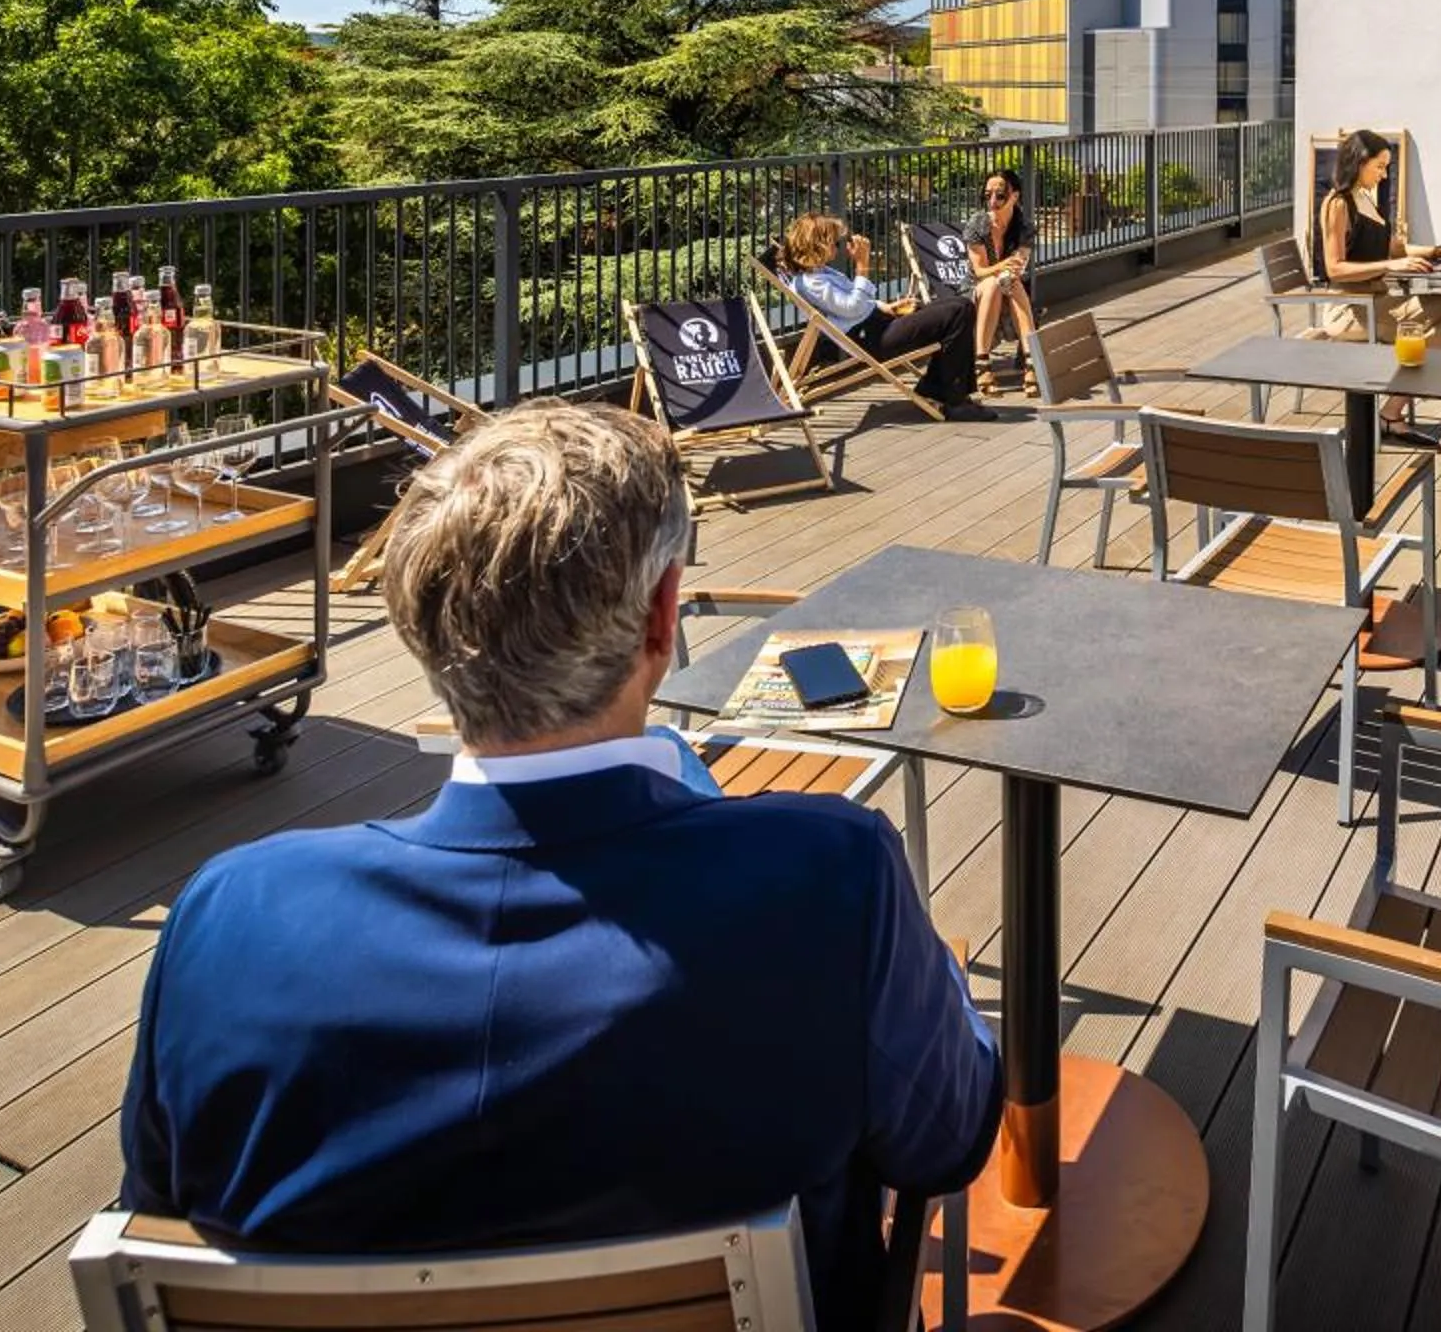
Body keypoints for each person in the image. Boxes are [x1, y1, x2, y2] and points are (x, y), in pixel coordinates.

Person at [118, 403, 1001, 1325]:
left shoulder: (232, 918)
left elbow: (157, 1219)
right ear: (661, 618)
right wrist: (921, 969)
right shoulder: (829, 884)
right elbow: (949, 1140)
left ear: (422, 627)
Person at [1314, 128, 1441, 439]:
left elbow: (1393, 248)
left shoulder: (1364, 198)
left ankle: (1393, 413)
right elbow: (1334, 269)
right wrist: (1391, 265)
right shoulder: (1338, 203)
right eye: (1379, 166)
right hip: (1350, 309)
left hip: (1376, 302)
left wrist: (1438, 251)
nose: (1384, 174)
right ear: (1359, 162)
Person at [782, 212, 993, 420]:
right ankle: (954, 400)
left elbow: (855, 306)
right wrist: (862, 267)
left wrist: (887, 308)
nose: (837, 247)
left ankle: (936, 388)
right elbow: (852, 308)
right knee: (959, 311)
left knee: (957, 304)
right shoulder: (811, 283)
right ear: (817, 245)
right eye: (834, 243)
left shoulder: (820, 274)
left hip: (877, 325)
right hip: (871, 338)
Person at [968, 167, 1037, 383]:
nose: (992, 201)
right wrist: (1003, 266)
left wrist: (1007, 270)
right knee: (992, 284)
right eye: (987, 195)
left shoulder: (1024, 227)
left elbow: (1017, 266)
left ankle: (1030, 360)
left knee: (1011, 281)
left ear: (1014, 196)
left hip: (1008, 287)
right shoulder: (978, 223)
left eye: (1000, 195)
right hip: (976, 288)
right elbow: (979, 271)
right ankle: (982, 361)